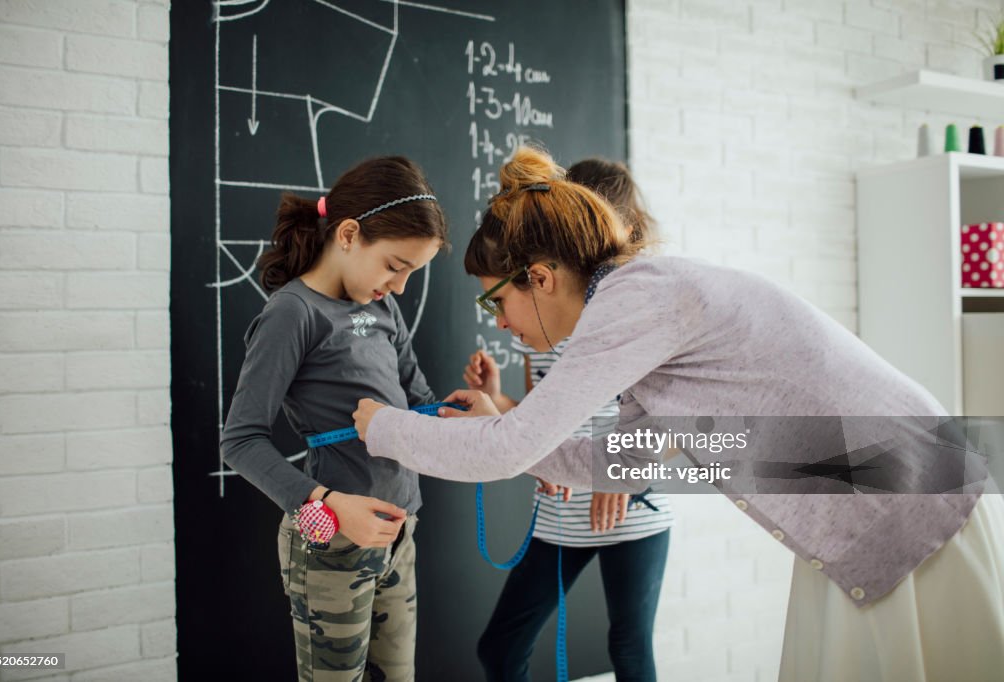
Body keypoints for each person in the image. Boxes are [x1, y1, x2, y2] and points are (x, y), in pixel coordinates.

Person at [352, 146, 1004, 681]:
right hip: (881, 486)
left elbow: (511, 449)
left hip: (899, 486)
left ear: (541, 278)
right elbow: (616, 456)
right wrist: (489, 428)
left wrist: (384, 427)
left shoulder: (631, 305)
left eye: (496, 303)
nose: (502, 324)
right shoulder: (638, 298)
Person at [220, 156, 447, 682]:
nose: (400, 287)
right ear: (348, 234)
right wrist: (326, 506)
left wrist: (473, 411)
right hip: (331, 544)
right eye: (395, 266)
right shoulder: (292, 313)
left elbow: (420, 405)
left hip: (399, 531)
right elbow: (240, 440)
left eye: (413, 273)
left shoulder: (384, 307)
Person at [468, 158, 672, 682]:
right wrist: (495, 398)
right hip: (562, 511)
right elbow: (542, 417)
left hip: (631, 508)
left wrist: (620, 472)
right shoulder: (546, 313)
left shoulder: (637, 308)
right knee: (500, 648)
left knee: (629, 650)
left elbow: (669, 409)